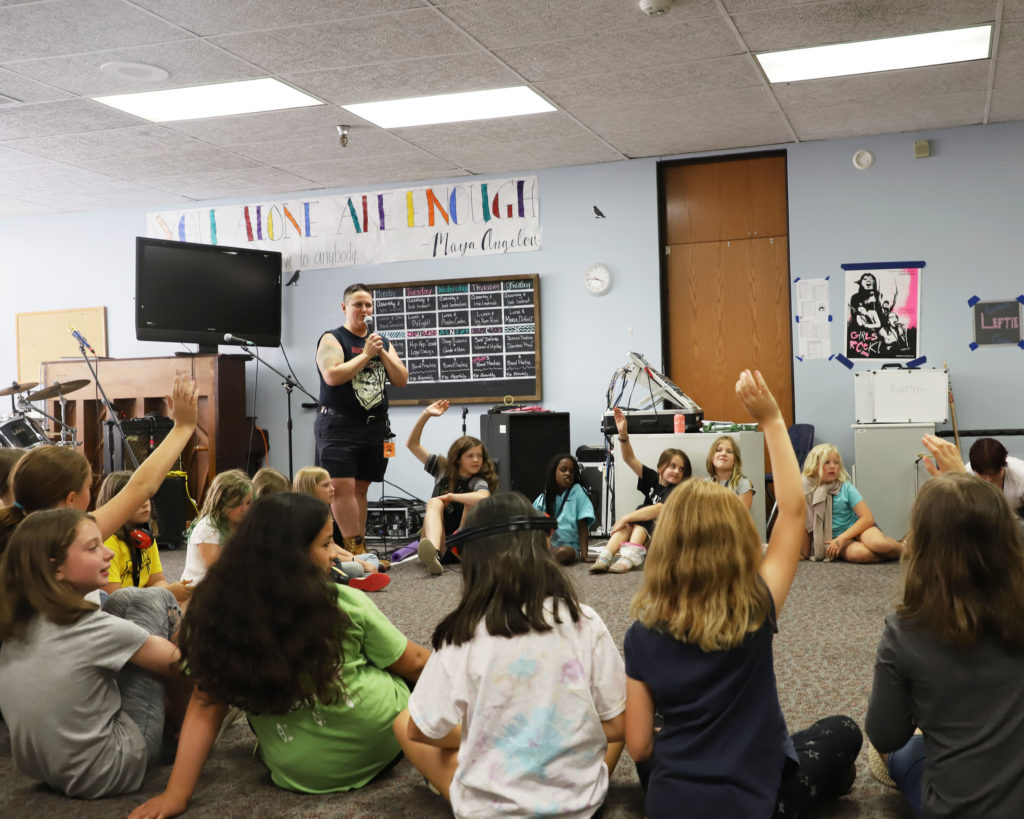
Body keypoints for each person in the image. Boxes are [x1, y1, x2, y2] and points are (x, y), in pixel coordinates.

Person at [624, 370, 862, 818]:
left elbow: (638, 748)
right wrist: (771, 420)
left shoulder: (642, 633)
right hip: (758, 800)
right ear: (736, 538)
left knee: (657, 726)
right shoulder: (755, 605)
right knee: (844, 731)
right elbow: (793, 513)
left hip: (672, 799)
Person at [128, 493, 430, 818]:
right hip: (383, 740)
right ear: (294, 555)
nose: (334, 556)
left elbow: (205, 704)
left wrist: (175, 795)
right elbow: (416, 663)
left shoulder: (218, 613)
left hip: (298, 773)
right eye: (327, 544)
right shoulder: (341, 601)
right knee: (394, 665)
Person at [393, 492, 626, 818]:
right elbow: (617, 725)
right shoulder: (584, 620)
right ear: (544, 545)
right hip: (578, 805)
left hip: (486, 810)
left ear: (470, 560)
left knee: (404, 722)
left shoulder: (460, 635)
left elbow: (420, 731)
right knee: (618, 716)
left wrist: (487, 737)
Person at [865, 434, 1024, 818]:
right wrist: (969, 489)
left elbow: (885, 733)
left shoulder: (905, 629)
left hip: (957, 806)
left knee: (900, 750)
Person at [0, 509, 187, 798]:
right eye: (92, 548)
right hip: (110, 767)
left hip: (45, 769)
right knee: (158, 598)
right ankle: (186, 734)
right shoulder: (90, 627)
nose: (108, 553)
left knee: (125, 598)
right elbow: (180, 665)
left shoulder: (18, 624)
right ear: (56, 569)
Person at [0, 374, 198, 554]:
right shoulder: (66, 536)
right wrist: (183, 428)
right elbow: (142, 486)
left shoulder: (11, 533)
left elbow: (142, 486)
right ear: (70, 499)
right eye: (88, 487)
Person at [314, 283, 409, 558]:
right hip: (339, 426)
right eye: (358, 304)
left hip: (375, 428)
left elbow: (401, 380)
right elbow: (332, 375)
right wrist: (366, 354)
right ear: (345, 307)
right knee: (341, 488)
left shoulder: (382, 342)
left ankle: (358, 549)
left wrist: (379, 353)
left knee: (360, 488)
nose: (364, 310)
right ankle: (355, 553)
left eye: (368, 305)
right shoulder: (332, 339)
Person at [590, 406, 690, 574]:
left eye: (681, 469)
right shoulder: (651, 477)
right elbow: (629, 459)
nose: (677, 471)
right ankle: (606, 556)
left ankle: (629, 557)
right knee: (633, 522)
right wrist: (623, 434)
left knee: (643, 514)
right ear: (660, 468)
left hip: (660, 537)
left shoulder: (677, 490)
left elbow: (659, 509)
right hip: (642, 533)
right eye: (672, 466)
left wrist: (625, 517)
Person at [406, 399, 497, 575]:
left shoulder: (477, 481)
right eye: (470, 456)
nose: (476, 460)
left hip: (460, 546)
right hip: (438, 544)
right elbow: (412, 445)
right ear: (458, 458)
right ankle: (431, 552)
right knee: (434, 503)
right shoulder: (442, 468)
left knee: (471, 501)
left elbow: (483, 496)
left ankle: (437, 552)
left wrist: (450, 497)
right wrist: (426, 415)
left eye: (479, 456)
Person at [95, 471, 190, 603]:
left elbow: (157, 580)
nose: (145, 503)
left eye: (147, 497)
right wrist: (166, 593)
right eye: (137, 499)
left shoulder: (145, 535)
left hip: (140, 604)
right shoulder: (108, 542)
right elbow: (114, 599)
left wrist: (167, 594)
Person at [292, 465, 390, 591]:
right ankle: (355, 580)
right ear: (310, 488)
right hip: (321, 563)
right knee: (357, 568)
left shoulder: (325, 512)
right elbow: (329, 553)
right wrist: (358, 562)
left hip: (334, 560)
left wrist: (353, 557)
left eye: (331, 485)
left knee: (371, 558)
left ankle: (363, 576)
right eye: (326, 485)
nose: (332, 489)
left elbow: (333, 546)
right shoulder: (311, 518)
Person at [801, 443, 904, 562]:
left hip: (859, 529)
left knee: (879, 544)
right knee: (861, 555)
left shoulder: (845, 487)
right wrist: (805, 554)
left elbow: (867, 518)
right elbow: (806, 524)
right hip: (834, 539)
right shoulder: (807, 491)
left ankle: (906, 548)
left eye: (836, 462)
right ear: (814, 466)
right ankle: (891, 553)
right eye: (826, 462)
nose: (833, 466)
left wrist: (843, 538)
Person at [179, 469, 252, 586]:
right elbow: (219, 571)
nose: (245, 509)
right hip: (200, 591)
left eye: (248, 503)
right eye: (238, 503)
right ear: (221, 502)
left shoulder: (242, 523)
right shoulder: (208, 528)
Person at [532, 453, 595, 564]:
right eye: (563, 470)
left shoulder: (578, 492)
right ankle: (545, 556)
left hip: (569, 547)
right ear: (554, 472)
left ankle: (544, 559)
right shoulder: (546, 496)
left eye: (571, 471)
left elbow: (583, 524)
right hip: (549, 545)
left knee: (563, 552)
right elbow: (533, 521)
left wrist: (584, 555)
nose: (568, 473)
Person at [967, 437, 1024, 517]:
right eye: (983, 475)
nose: (989, 479)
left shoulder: (1021, 475)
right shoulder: (966, 476)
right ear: (975, 470)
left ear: (1004, 464)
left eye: (994, 474)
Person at [705, 434, 754, 512]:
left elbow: (741, 517)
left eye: (729, 451)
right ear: (711, 457)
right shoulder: (704, 484)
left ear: (735, 460)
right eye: (718, 450)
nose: (723, 454)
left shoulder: (743, 484)